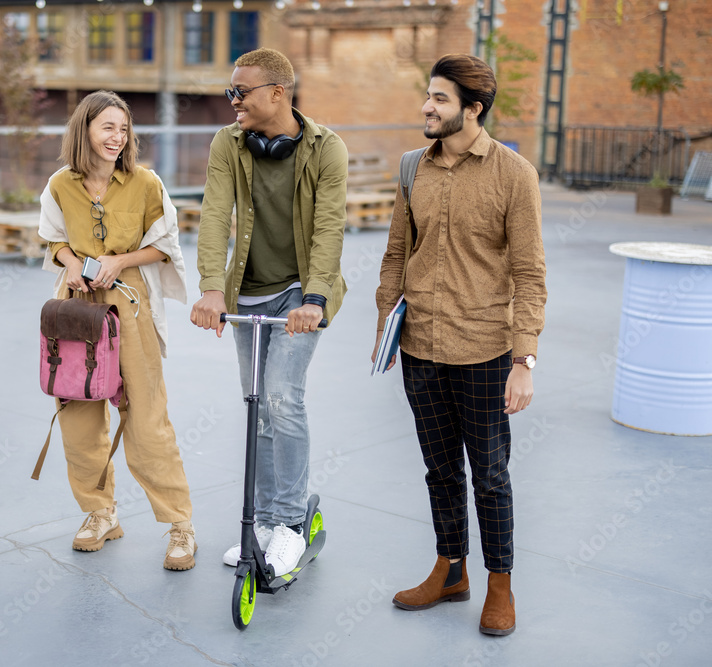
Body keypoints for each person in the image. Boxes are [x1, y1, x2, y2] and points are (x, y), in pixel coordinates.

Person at [372, 54, 547, 636]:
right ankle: (451, 571)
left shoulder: (514, 175)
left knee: (490, 474)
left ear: (472, 109)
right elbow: (397, 253)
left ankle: (501, 584)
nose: (427, 106)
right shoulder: (411, 169)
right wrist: (385, 329)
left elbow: (530, 274)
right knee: (439, 470)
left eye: (441, 99)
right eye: (428, 96)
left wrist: (523, 361)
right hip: (420, 345)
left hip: (484, 351)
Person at [190, 48, 348, 577]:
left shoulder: (327, 149)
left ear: (277, 93)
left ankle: (289, 526)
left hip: (302, 294)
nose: (233, 101)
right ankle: (258, 524)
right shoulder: (228, 144)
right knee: (257, 408)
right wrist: (212, 288)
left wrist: (316, 299)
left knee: (282, 398)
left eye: (242, 92)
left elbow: (329, 228)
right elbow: (215, 214)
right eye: (230, 91)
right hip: (248, 292)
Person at [37, 91, 197, 571]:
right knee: (79, 417)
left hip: (129, 308)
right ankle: (99, 513)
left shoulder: (146, 183)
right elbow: (52, 239)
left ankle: (180, 524)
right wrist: (72, 263)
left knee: (147, 418)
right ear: (84, 129)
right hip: (76, 311)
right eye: (108, 127)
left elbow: (166, 246)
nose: (117, 137)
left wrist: (118, 262)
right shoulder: (60, 185)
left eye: (123, 129)